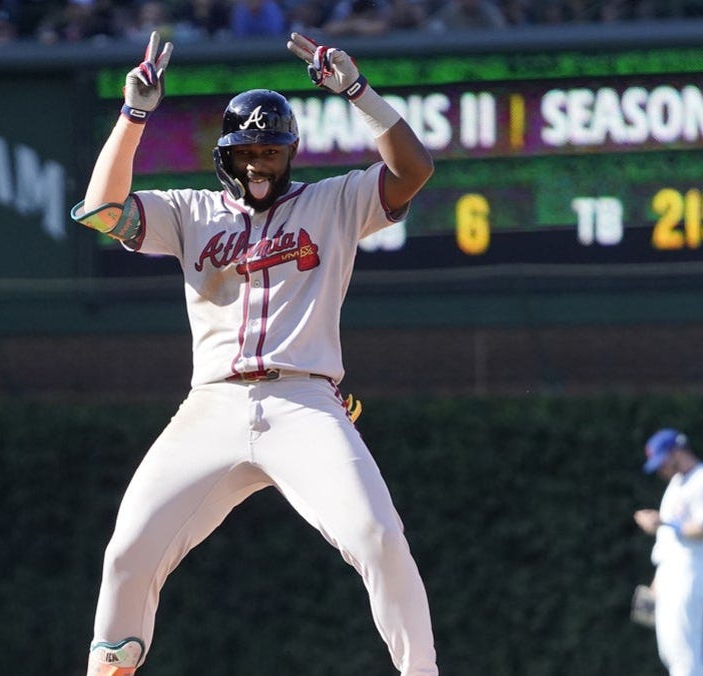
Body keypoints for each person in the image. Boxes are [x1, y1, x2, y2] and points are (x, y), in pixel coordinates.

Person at [69, 30, 438, 676]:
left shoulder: (333, 202)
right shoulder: (190, 212)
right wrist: (133, 117)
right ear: (226, 156)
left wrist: (358, 92)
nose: (260, 164)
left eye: (272, 151)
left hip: (304, 400)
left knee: (379, 538)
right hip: (210, 407)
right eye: (249, 152)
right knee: (127, 554)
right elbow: (102, 211)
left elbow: (415, 170)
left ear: (290, 154)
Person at [633, 429, 703, 676]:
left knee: (684, 659)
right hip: (672, 573)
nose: (660, 470)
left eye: (662, 461)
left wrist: (663, 523)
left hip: (693, 570)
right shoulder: (677, 483)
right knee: (675, 657)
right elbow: (670, 543)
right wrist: (658, 579)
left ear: (676, 452)